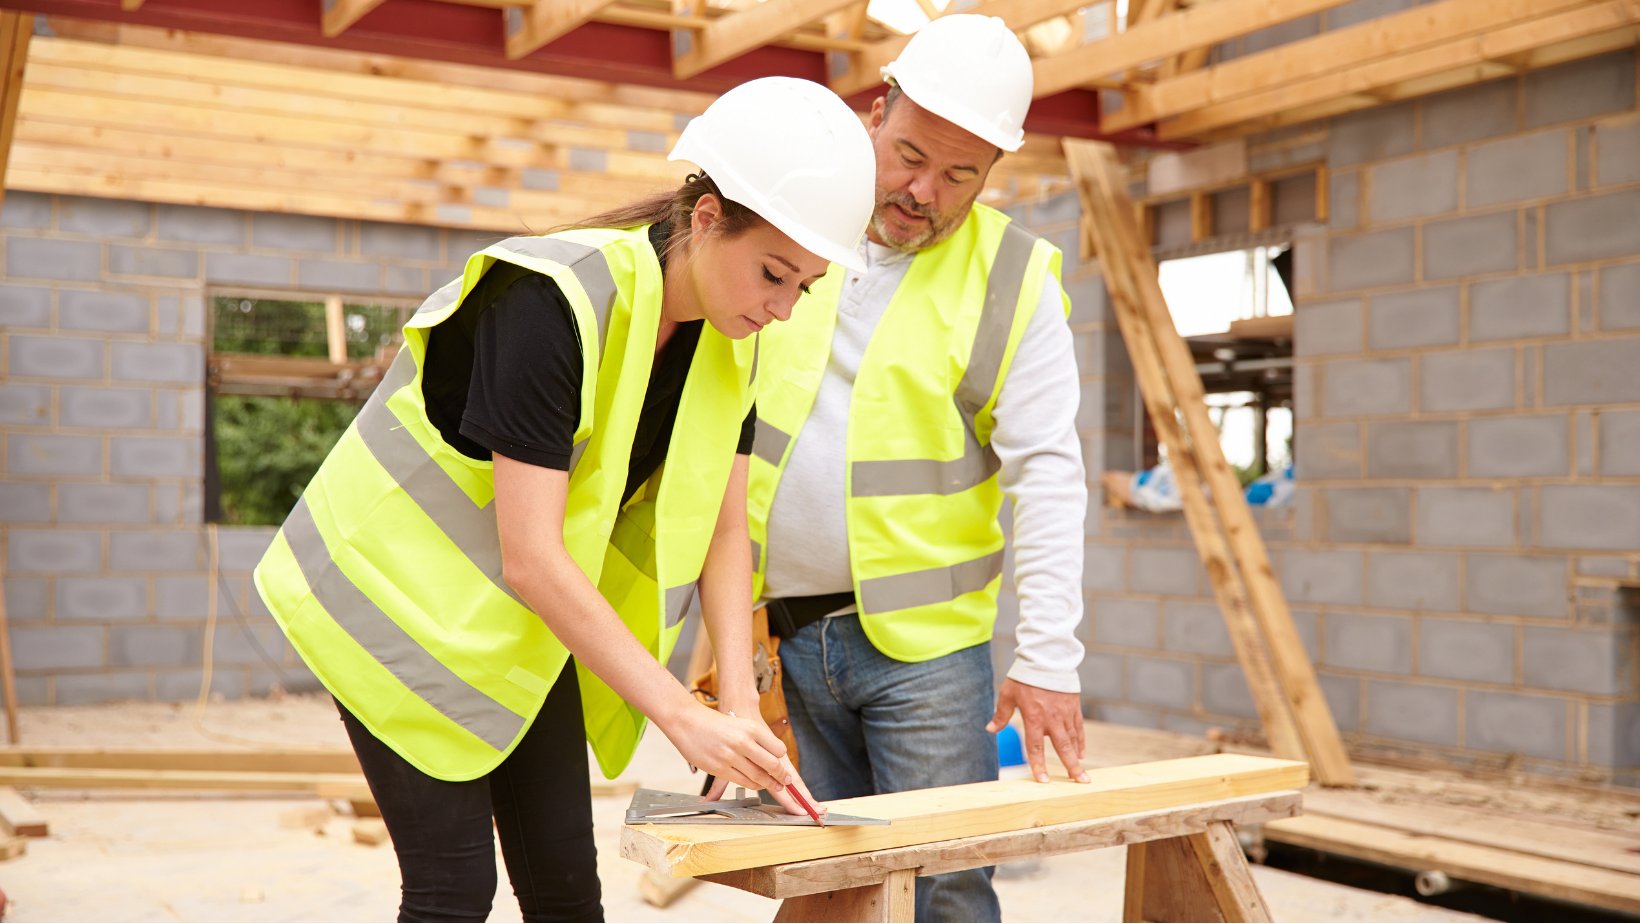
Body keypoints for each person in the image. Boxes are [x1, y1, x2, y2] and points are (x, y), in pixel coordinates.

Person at [251, 76, 876, 923]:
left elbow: (729, 529)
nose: (783, 307)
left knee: (566, 895)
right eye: (773, 273)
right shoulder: (553, 299)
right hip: (393, 608)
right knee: (451, 890)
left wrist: (735, 704)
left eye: (802, 286)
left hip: (520, 625)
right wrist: (675, 716)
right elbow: (533, 556)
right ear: (704, 218)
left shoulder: (733, 342)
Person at [744, 15, 1089, 922]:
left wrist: (1048, 655)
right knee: (822, 886)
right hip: (777, 634)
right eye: (908, 156)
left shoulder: (1014, 279)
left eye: (959, 176)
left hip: (928, 654)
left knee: (945, 885)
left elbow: (1048, 471)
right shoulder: (783, 228)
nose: (922, 191)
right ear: (875, 111)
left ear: (992, 173)